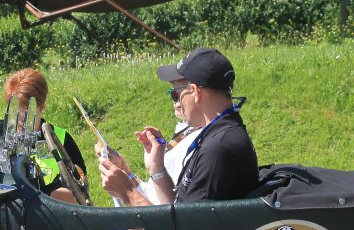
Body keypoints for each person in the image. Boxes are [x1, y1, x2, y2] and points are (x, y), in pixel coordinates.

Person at [97, 47, 258, 205]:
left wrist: (129, 193)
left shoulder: (218, 149)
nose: (176, 101)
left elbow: (184, 223)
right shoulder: (220, 135)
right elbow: (178, 209)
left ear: (194, 92)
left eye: (175, 93)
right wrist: (156, 167)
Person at [0, 68, 87, 203]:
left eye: (27, 110)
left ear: (42, 106)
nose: (20, 118)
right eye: (14, 109)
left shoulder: (61, 139)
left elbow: (82, 190)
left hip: (52, 209)